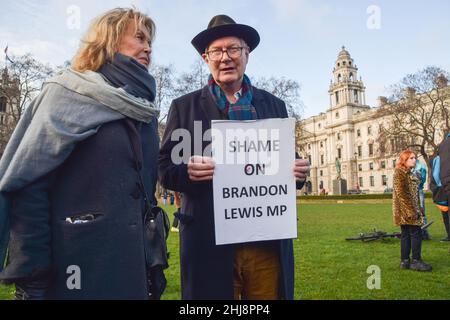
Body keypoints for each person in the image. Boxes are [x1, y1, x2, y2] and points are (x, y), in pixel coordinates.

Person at [0, 8, 164, 299]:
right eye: (139, 37)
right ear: (109, 39)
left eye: (150, 40)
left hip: (134, 272)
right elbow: (29, 186)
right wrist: (33, 276)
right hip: (75, 271)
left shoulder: (145, 112)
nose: (148, 47)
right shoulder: (66, 94)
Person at [158, 14, 310, 300]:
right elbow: (164, 169)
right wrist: (187, 172)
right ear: (206, 58)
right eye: (217, 51)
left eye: (233, 49)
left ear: (247, 54)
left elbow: (288, 159)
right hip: (208, 241)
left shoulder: (273, 105)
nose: (225, 57)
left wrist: (300, 170)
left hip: (265, 244)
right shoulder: (184, 107)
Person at [393, 150, 432, 272]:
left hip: (408, 210)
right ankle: (416, 261)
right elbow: (402, 194)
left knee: (406, 235)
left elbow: (414, 194)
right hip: (407, 211)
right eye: (411, 158)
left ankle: (405, 261)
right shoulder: (400, 173)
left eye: (415, 158)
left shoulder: (409, 173)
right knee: (415, 234)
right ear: (404, 160)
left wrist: (419, 208)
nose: (415, 160)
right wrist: (411, 211)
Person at [412, 159, 430, 240]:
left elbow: (422, 181)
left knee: (421, 212)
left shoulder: (421, 167)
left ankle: (424, 233)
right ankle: (415, 233)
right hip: (413, 191)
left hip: (418, 191)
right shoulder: (412, 167)